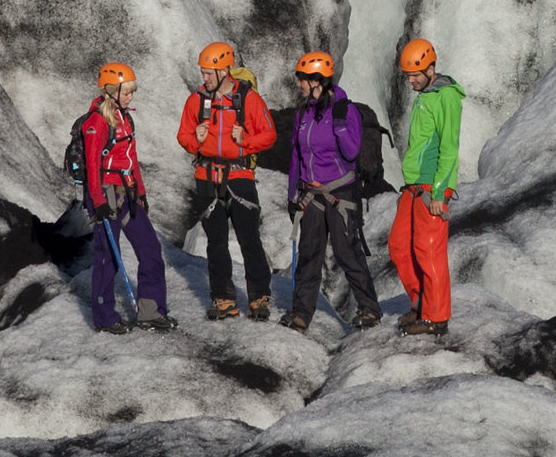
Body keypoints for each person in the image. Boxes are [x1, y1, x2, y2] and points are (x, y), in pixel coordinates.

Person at [277, 47, 389, 332]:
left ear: (317, 80)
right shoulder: (304, 112)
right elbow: (297, 156)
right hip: (312, 195)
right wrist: (293, 194)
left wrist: (340, 125)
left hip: (341, 194)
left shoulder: (345, 110)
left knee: (346, 252)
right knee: (309, 253)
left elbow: (352, 152)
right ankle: (301, 313)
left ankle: (369, 309)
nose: (298, 84)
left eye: (302, 79)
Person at [63, 61, 170, 332]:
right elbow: (92, 163)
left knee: (150, 249)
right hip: (105, 195)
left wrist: (141, 193)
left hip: (128, 191)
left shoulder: (125, 118)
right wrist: (98, 202)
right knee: (107, 256)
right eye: (126, 92)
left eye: (131, 92)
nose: (130, 97)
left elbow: (131, 159)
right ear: (110, 90)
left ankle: (151, 310)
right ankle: (105, 317)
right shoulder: (96, 122)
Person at [178, 41, 278, 320]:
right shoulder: (197, 100)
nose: (204, 78)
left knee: (249, 239)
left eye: (209, 72)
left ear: (225, 70)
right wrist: (195, 142)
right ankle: (222, 298)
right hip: (207, 176)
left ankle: (258, 297)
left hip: (239, 175)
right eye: (203, 72)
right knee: (216, 242)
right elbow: (183, 135)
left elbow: (268, 134)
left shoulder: (248, 99)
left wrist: (244, 143)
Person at [389, 35, 464, 337]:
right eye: (408, 76)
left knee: (428, 250)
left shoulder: (445, 96)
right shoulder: (426, 96)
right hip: (414, 186)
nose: (411, 81)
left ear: (431, 68)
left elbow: (449, 147)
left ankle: (436, 316)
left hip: (433, 187)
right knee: (398, 245)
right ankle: (421, 302)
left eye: (415, 75)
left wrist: (439, 193)